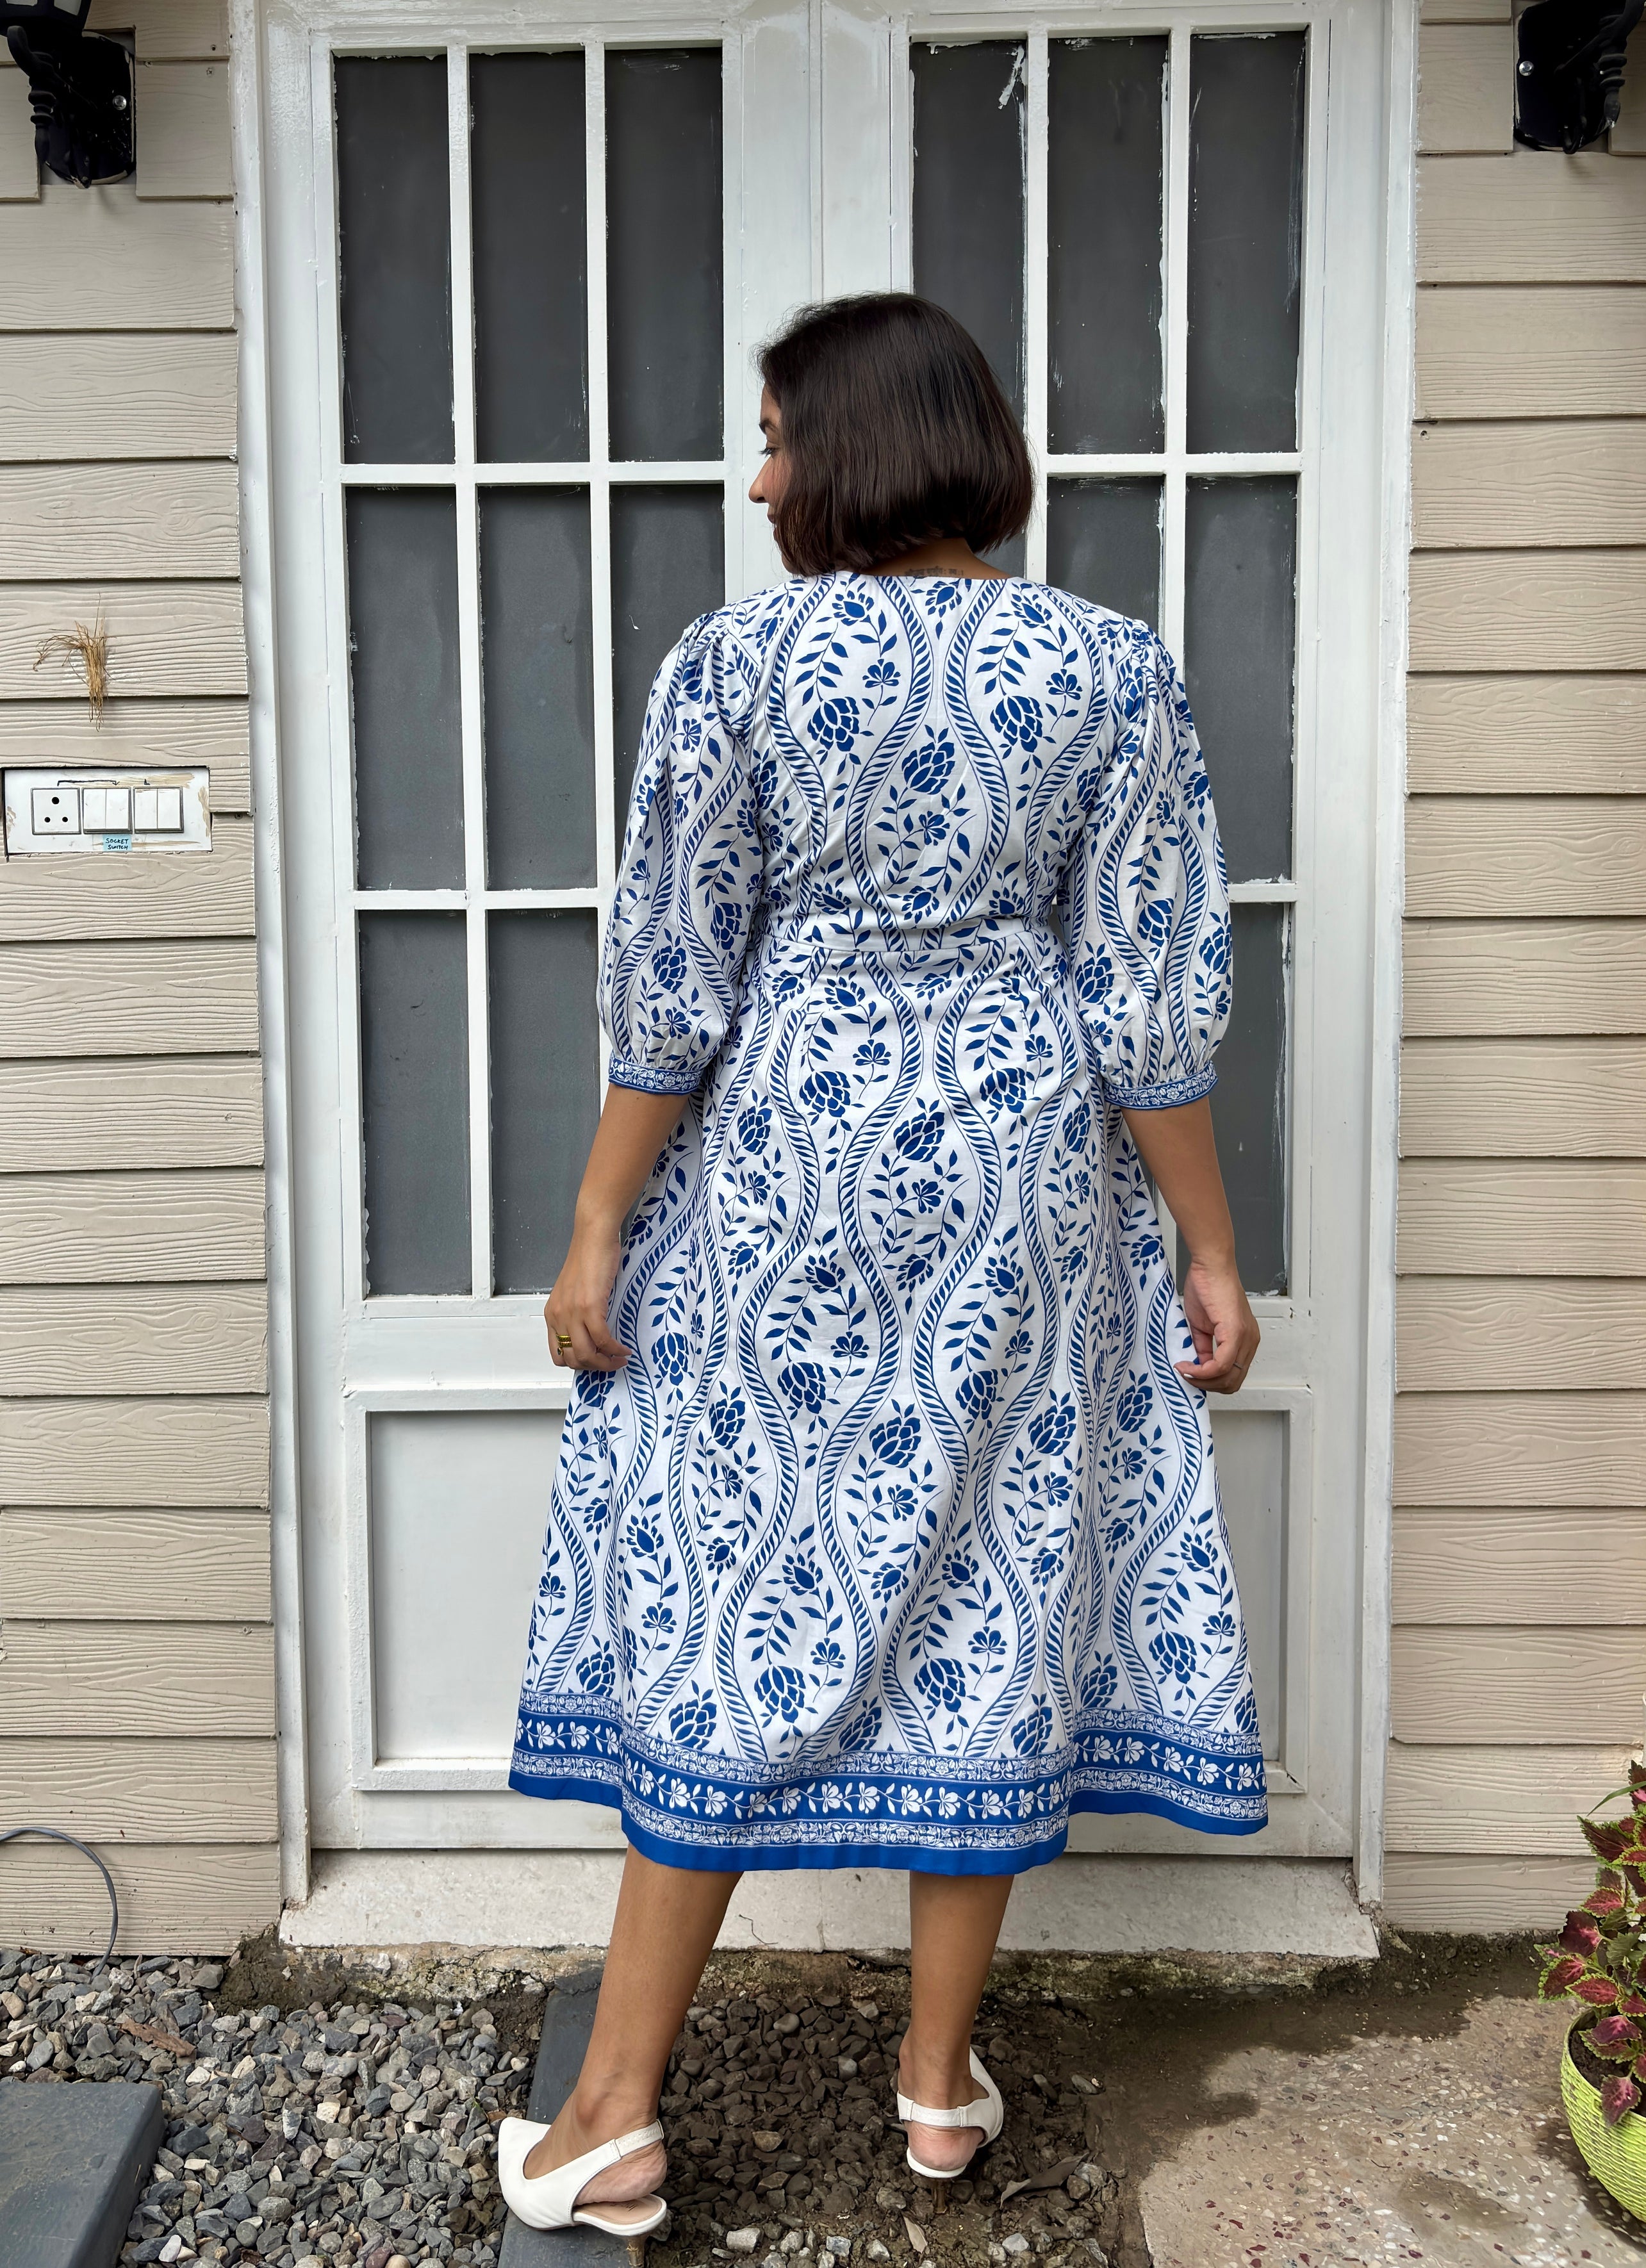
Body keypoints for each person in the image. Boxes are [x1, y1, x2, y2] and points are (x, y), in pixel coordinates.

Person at [498, 294, 1264, 2239]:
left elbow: (671, 978)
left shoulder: (736, 664)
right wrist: (1210, 1242)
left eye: (771, 437)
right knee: (990, 1590)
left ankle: (610, 2113)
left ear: (848, 448)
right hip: (1022, 1171)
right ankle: (935, 2089)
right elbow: (1149, 993)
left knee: (732, 1582)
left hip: (784, 1177)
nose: (756, 478)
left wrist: (595, 1223)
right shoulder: (1110, 667)